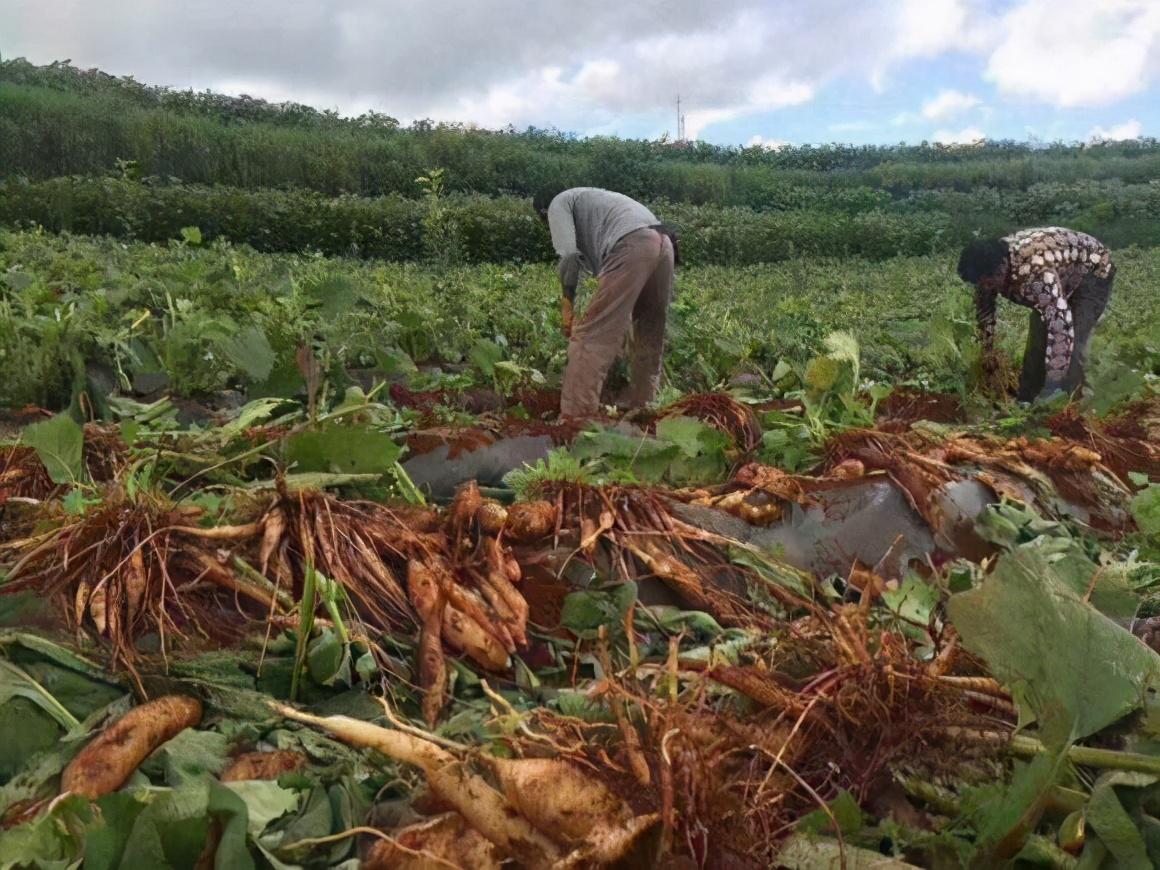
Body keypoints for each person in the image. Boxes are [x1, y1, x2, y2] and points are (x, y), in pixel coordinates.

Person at [534, 186, 678, 418]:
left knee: (591, 336)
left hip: (634, 243)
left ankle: (575, 419)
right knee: (649, 333)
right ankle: (642, 408)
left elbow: (569, 256)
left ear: (543, 211)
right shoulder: (591, 199)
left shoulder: (557, 204)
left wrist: (567, 308)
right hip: (664, 243)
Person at [957, 227, 1115, 402]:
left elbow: (1060, 328)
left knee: (1074, 341)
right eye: (981, 284)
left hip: (1093, 269)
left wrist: (1052, 385)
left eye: (988, 282)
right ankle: (1027, 400)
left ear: (1002, 267)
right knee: (1037, 342)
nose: (986, 287)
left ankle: (1069, 403)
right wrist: (987, 348)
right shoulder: (987, 270)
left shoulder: (1035, 275)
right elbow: (985, 309)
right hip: (1060, 270)